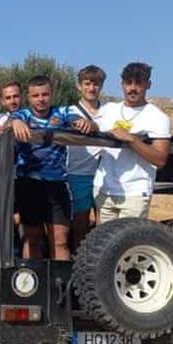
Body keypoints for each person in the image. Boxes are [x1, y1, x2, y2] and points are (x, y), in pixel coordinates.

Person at [10, 75, 95, 260]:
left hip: (57, 184)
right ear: (28, 97)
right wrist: (14, 123)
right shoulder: (22, 115)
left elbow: (81, 122)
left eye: (45, 94)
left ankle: (61, 286)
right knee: (32, 237)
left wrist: (86, 124)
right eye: (36, 95)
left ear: (52, 94)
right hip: (29, 183)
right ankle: (31, 286)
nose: (41, 99)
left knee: (60, 240)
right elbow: (11, 121)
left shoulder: (63, 112)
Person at [93, 62, 171, 222]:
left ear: (148, 85)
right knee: (102, 245)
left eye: (138, 83)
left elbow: (160, 159)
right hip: (104, 191)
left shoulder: (157, 117)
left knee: (127, 246)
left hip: (135, 193)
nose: (133, 88)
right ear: (122, 84)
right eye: (128, 83)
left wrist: (132, 139)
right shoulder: (108, 110)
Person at [67, 65, 106, 249]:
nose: (92, 88)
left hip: (106, 175)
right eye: (87, 83)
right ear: (79, 86)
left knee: (104, 226)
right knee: (79, 225)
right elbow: (72, 122)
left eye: (96, 84)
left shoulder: (109, 111)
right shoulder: (70, 111)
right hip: (78, 174)